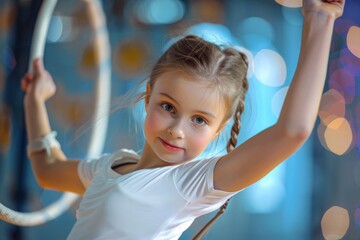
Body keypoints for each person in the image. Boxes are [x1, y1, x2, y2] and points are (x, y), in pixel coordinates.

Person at [21, 0, 345, 239]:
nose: (177, 130)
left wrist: (321, 16)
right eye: (169, 107)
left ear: (218, 130)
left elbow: (293, 131)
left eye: (200, 121)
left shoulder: (189, 185)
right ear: (148, 97)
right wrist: (35, 101)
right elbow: (47, 170)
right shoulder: (111, 165)